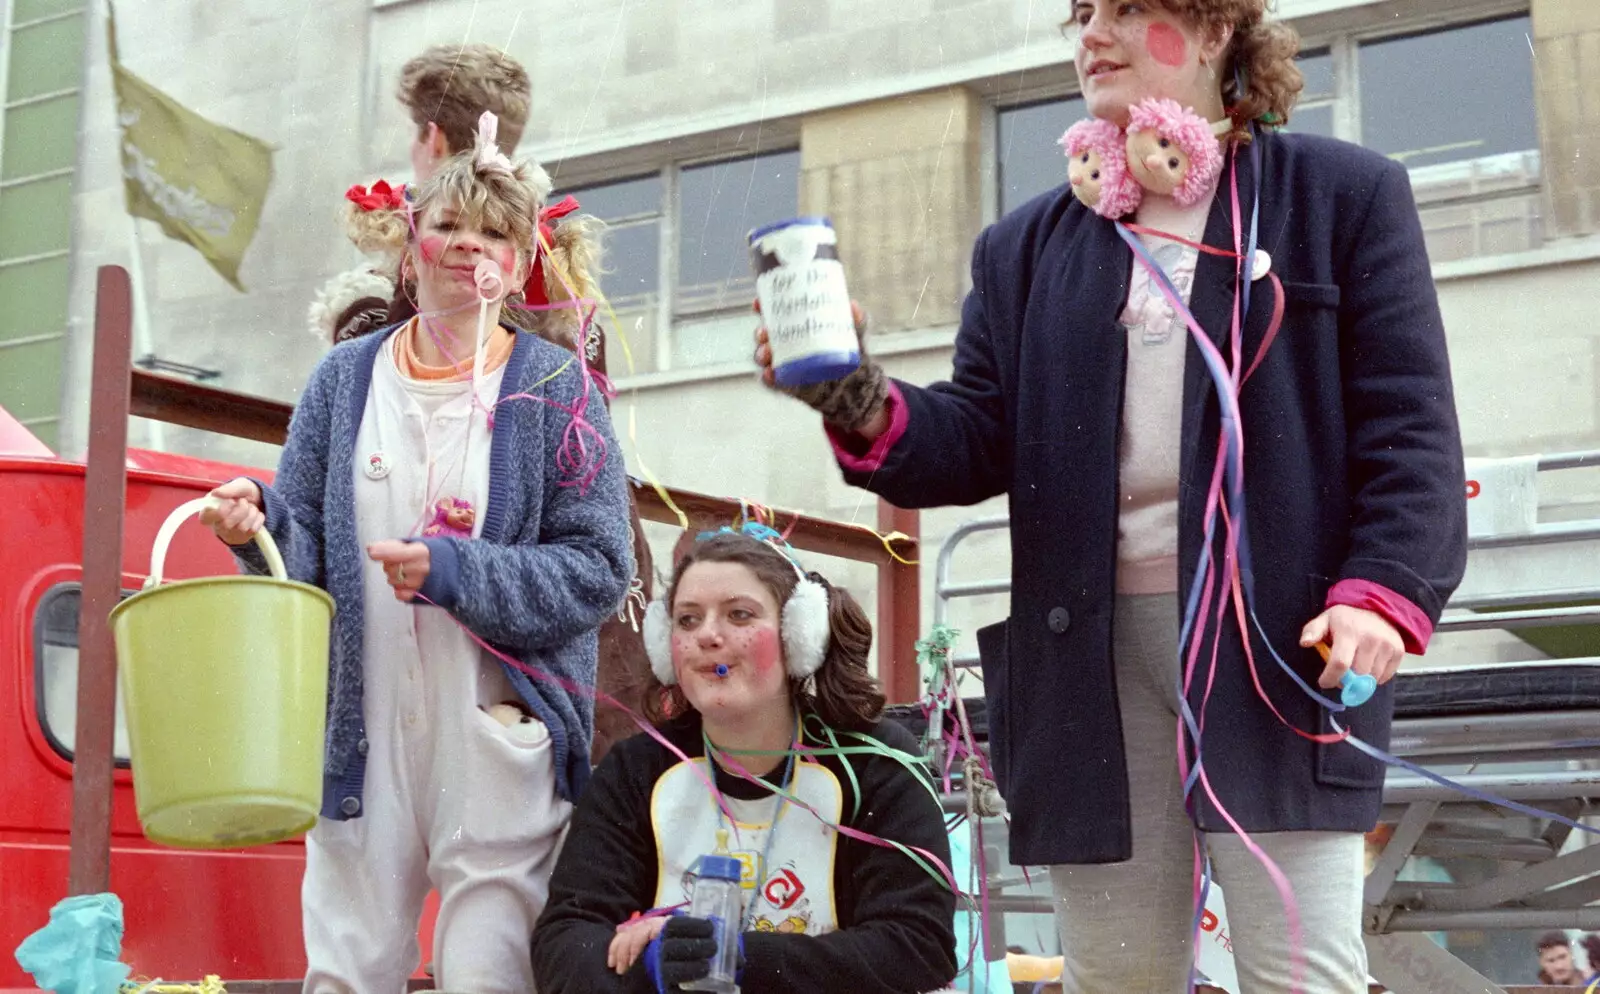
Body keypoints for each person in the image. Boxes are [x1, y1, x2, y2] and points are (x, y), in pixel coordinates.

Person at [754, 1, 1467, 990]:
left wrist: (1378, 595)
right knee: (1114, 976)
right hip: (1083, 663)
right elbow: (968, 442)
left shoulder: (1339, 195)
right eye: (1081, 12)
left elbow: (1411, 432)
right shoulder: (1024, 246)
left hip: (1274, 655)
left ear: (1216, 28)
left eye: (1128, 8)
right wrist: (857, 398)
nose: (1090, 32)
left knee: (1300, 974)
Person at [201, 118, 634, 994]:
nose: (466, 245)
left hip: (497, 731)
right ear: (411, 246)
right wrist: (260, 527)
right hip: (359, 725)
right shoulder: (343, 379)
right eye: (447, 225)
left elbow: (598, 566)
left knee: (489, 975)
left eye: (494, 232)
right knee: (347, 968)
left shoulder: (558, 387)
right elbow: (308, 550)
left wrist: (456, 572)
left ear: (517, 263)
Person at [306, 40, 656, 766]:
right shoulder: (560, 280)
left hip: (453, 624)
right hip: (566, 623)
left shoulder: (380, 315)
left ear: (430, 138)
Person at [529, 529, 958, 993]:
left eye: (739, 614)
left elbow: (919, 947)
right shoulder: (635, 771)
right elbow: (564, 942)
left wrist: (735, 955)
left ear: (799, 635)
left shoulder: (876, 762)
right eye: (688, 620)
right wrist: (655, 964)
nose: (708, 636)